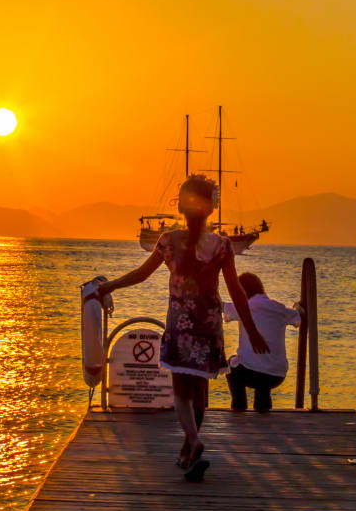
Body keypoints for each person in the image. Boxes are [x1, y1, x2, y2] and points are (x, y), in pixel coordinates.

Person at [97, 175, 269, 482]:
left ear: (182, 207)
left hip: (181, 324)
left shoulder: (168, 241)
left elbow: (141, 274)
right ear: (211, 209)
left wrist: (109, 285)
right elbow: (237, 292)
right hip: (209, 324)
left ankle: (193, 442)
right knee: (199, 391)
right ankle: (188, 454)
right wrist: (252, 330)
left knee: (181, 392)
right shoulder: (222, 246)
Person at [223, 272, 301, 413]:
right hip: (277, 374)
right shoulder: (279, 308)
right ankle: (263, 406)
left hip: (249, 372)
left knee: (230, 365)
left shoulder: (243, 306)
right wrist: (297, 307)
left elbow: (222, 308)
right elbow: (297, 318)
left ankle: (239, 406)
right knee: (262, 365)